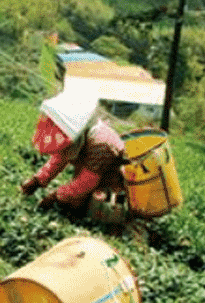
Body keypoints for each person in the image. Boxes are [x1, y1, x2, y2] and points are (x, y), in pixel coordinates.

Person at [19, 91, 128, 222]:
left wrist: (56, 196)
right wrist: (37, 180)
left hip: (108, 177)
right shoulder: (73, 135)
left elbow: (86, 182)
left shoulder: (101, 144)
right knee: (73, 201)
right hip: (90, 169)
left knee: (93, 207)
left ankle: (109, 223)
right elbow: (60, 157)